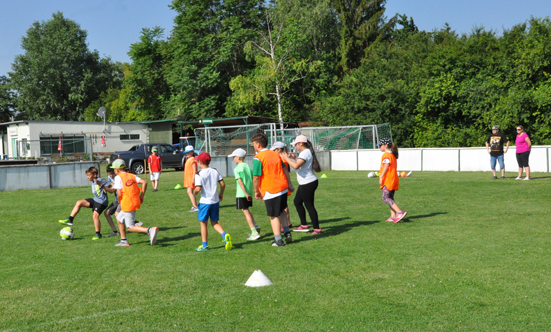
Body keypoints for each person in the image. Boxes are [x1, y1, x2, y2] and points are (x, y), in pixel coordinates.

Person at [252, 133, 295, 247]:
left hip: (270, 189)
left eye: (254, 144)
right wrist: (289, 183)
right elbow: (285, 169)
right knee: (282, 211)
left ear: (258, 145)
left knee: (273, 216)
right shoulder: (275, 154)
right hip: (282, 187)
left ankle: (278, 240)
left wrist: (256, 191)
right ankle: (287, 232)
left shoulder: (258, 158)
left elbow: (256, 176)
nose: (254, 146)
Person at [110, 159, 159, 247]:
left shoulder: (118, 177)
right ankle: (123, 240)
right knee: (119, 218)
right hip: (135, 201)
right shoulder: (131, 175)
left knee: (130, 227)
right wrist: (142, 196)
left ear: (117, 170)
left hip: (126, 203)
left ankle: (149, 230)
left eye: (114, 169)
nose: (114, 171)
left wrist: (119, 201)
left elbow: (119, 193)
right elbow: (144, 182)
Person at [279, 135, 322, 234]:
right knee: (297, 202)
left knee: (309, 205)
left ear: (301, 144)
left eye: (296, 144)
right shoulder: (304, 152)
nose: (295, 147)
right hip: (306, 182)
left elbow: (296, 166)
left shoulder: (305, 152)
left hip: (308, 183)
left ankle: (317, 229)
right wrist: (294, 157)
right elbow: (301, 163)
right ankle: (303, 225)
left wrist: (286, 158)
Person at [59, 166, 114, 240]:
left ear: (94, 174)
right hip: (95, 200)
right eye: (87, 175)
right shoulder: (93, 181)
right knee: (79, 202)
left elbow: (112, 184)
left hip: (102, 202)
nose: (87, 177)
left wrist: (105, 186)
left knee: (95, 216)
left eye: (89, 175)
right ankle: (70, 219)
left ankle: (98, 234)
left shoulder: (100, 180)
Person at [193, 152, 233, 251]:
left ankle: (204, 245)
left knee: (203, 223)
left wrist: (194, 193)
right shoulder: (215, 171)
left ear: (200, 162)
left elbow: (198, 188)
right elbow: (223, 184)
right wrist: (221, 194)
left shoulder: (199, 174)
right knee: (214, 222)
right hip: (215, 201)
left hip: (205, 202)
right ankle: (224, 235)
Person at [228, 148, 261, 240]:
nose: (233, 159)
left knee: (245, 211)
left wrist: (245, 193)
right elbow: (253, 178)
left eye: (234, 157)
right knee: (247, 211)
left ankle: (254, 232)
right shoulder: (247, 166)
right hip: (249, 192)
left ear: (238, 157)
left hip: (242, 193)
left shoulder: (237, 168)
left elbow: (240, 182)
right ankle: (255, 225)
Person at [378, 138, 407, 223]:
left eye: (380, 145)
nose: (379, 147)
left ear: (385, 145)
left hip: (388, 180)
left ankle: (399, 212)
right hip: (394, 179)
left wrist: (381, 177)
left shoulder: (386, 155)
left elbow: (386, 166)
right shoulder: (392, 155)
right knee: (390, 197)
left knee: (385, 197)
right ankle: (393, 216)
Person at [270, 141, 293, 230]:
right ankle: (287, 222)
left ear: (279, 150)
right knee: (284, 205)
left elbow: (284, 172)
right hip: (282, 183)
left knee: (284, 206)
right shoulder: (280, 158)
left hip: (282, 183)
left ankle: (287, 222)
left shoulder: (282, 159)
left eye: (275, 150)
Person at [183, 145, 199, 212]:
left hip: (191, 178)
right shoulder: (188, 159)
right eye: (186, 152)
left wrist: (193, 178)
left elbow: (194, 169)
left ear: (192, 152)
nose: (187, 154)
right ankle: (195, 205)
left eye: (188, 152)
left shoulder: (192, 159)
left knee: (189, 191)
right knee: (190, 192)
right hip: (188, 178)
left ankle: (195, 206)